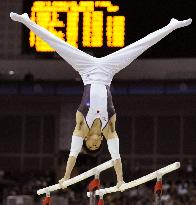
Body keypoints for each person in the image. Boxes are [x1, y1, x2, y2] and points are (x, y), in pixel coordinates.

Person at [10, 12, 192, 189]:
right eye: (98, 145)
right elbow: (116, 156)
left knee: (59, 45)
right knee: (138, 47)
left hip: (86, 71)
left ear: (86, 141)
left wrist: (65, 177)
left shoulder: (81, 127)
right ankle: (172, 26)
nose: (96, 144)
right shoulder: (109, 128)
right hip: (107, 72)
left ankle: (26, 21)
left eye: (91, 145)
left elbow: (72, 155)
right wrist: (120, 180)